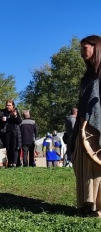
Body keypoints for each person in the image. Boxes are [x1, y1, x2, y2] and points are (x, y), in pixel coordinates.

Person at [72, 35, 101, 217]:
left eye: (85, 48)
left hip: (97, 123)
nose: (82, 52)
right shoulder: (87, 76)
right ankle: (86, 203)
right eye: (81, 48)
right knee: (83, 164)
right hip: (83, 125)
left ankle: (98, 207)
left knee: (96, 166)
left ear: (96, 47)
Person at [0, 99, 22, 167]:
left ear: (13, 105)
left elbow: (19, 122)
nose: (8, 106)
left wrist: (16, 116)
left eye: (9, 105)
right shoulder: (2, 112)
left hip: (14, 132)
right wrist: (2, 120)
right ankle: (10, 162)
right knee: (8, 147)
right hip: (6, 132)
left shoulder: (15, 111)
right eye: (7, 105)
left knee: (14, 147)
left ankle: (14, 163)